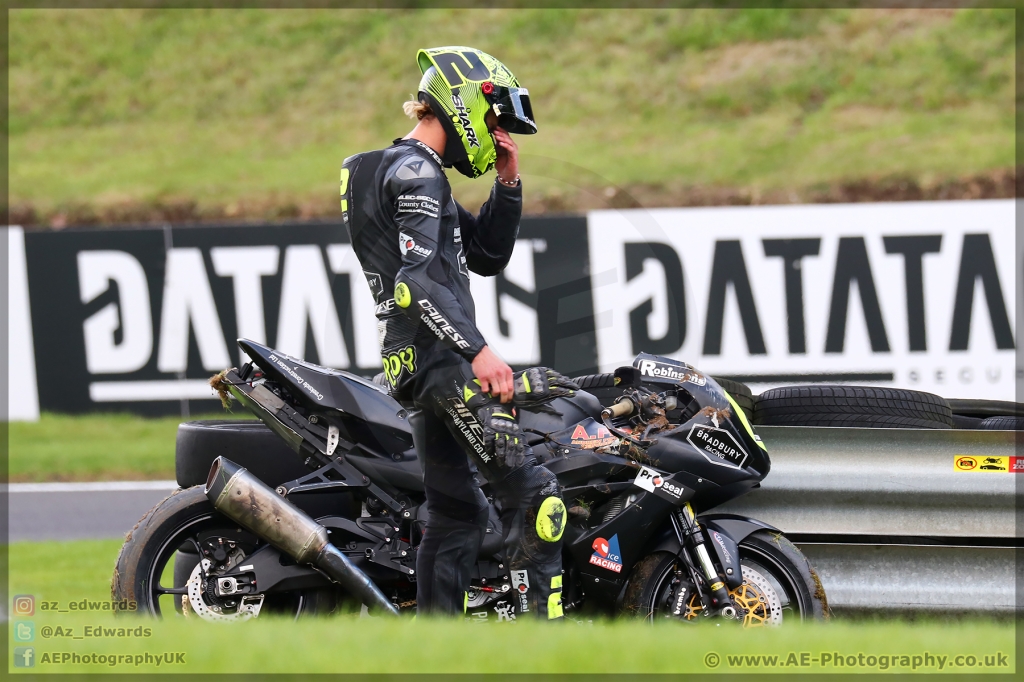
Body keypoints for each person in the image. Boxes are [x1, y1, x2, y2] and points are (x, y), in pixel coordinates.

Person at [340, 47, 576, 619]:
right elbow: (415, 285)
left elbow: (485, 254)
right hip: (443, 364)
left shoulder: (391, 167)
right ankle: (544, 645)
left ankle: (435, 647)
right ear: (463, 102)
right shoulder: (417, 171)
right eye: (494, 118)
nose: (496, 131)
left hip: (411, 367)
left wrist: (509, 181)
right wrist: (480, 353)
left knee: (456, 515)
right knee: (539, 497)